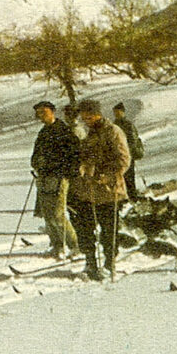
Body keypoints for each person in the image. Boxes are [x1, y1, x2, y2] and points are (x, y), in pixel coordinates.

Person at [67, 99, 130, 280]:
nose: (86, 121)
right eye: (84, 118)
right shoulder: (89, 134)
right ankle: (90, 261)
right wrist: (82, 167)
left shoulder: (113, 132)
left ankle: (110, 262)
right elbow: (85, 158)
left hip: (110, 190)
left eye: (88, 117)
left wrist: (109, 176)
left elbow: (124, 160)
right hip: (89, 190)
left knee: (109, 230)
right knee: (85, 227)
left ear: (97, 114)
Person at [29, 100, 80, 258]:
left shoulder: (63, 130)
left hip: (59, 178)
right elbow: (36, 154)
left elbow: (74, 155)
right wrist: (36, 163)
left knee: (58, 214)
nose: (41, 116)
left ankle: (75, 246)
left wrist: (64, 171)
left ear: (52, 112)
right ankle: (57, 245)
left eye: (43, 112)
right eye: (39, 113)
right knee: (47, 214)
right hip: (44, 177)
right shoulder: (43, 132)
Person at [112, 102, 145, 202]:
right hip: (118, 155)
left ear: (123, 112)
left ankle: (132, 195)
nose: (116, 114)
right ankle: (126, 196)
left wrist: (127, 152)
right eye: (115, 113)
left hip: (127, 155)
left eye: (118, 112)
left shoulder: (127, 125)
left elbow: (131, 141)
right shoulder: (115, 125)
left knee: (129, 176)